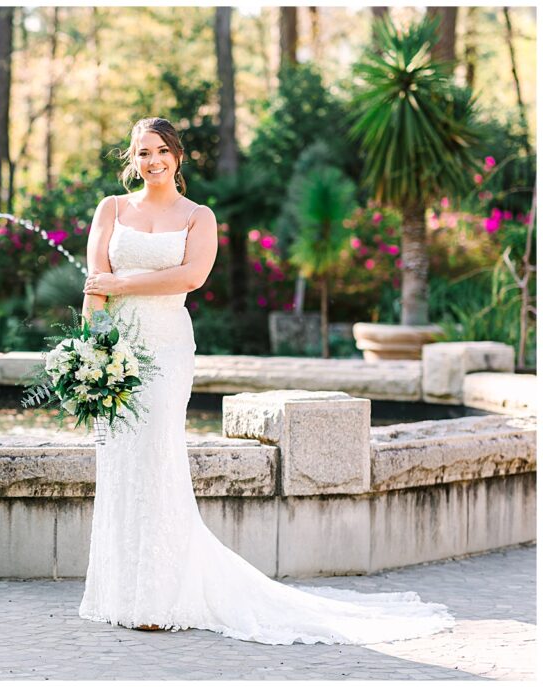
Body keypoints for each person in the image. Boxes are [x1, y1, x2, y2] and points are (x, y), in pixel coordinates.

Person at [78, 117, 455, 644]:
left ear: (178, 157)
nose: (152, 161)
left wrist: (122, 281)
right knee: (120, 459)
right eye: (143, 152)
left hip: (164, 346)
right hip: (117, 349)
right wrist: (90, 353)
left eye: (161, 151)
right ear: (131, 158)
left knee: (158, 456)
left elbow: (190, 277)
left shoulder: (198, 216)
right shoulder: (111, 210)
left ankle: (161, 597)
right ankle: (120, 593)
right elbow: (94, 286)